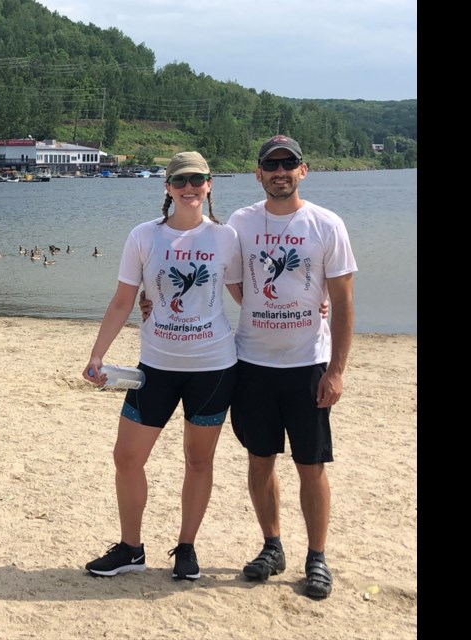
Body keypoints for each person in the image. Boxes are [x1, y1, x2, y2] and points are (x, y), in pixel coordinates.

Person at [82, 151, 242, 581]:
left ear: (210, 185)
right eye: (180, 180)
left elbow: (249, 295)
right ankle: (131, 548)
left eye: (198, 179)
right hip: (155, 366)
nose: (189, 186)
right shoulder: (143, 236)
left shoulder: (226, 238)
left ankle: (186, 548)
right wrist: (97, 354)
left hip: (214, 367)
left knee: (198, 460)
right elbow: (123, 301)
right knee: (127, 457)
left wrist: (308, 307)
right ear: (168, 188)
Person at [227, 135, 356, 600]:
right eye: (271, 165)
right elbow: (235, 282)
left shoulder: (326, 224)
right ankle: (272, 546)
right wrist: (268, 307)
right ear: (258, 173)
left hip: (307, 365)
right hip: (253, 364)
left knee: (311, 464)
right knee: (260, 460)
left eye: (289, 164)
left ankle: (317, 557)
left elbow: (342, 302)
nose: (280, 172)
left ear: (304, 170)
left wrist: (336, 370)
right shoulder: (241, 222)